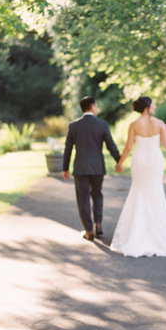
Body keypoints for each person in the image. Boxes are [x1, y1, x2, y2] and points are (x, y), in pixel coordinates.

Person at [111, 96, 166, 257]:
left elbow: (128, 147)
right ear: (147, 107)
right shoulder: (159, 123)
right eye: (153, 104)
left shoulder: (134, 125)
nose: (155, 106)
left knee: (139, 191)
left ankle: (137, 233)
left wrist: (120, 163)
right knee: (155, 192)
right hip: (155, 161)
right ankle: (157, 233)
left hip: (139, 160)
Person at [63, 96, 121, 241]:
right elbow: (111, 145)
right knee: (97, 194)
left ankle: (89, 231)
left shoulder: (74, 126)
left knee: (82, 199)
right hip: (97, 167)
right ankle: (98, 224)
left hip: (81, 167)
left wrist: (65, 168)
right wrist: (119, 161)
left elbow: (68, 148)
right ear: (93, 107)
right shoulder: (102, 125)